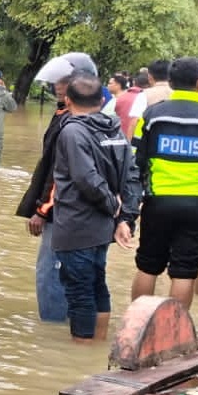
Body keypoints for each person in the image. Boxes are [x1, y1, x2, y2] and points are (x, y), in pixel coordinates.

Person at [129, 57, 198, 310]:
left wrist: (134, 204)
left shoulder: (152, 115)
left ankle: (136, 329)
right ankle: (174, 334)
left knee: (147, 266)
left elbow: (135, 161)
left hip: (157, 203)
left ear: (171, 83)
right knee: (184, 272)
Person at [51, 73, 140, 343]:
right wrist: (125, 217)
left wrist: (115, 209)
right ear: (102, 100)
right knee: (96, 284)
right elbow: (132, 175)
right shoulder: (115, 128)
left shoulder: (72, 131)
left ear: (67, 100)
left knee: (80, 292)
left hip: (77, 224)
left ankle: (81, 350)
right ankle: (97, 345)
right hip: (103, 227)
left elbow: (86, 178)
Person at [16, 51, 98, 322]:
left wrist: (43, 210)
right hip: (90, 215)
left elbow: (59, 172)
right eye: (58, 81)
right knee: (85, 273)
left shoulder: (71, 123)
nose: (57, 86)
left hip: (62, 211)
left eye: (65, 81)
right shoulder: (97, 122)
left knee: (50, 272)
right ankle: (80, 330)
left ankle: (52, 330)